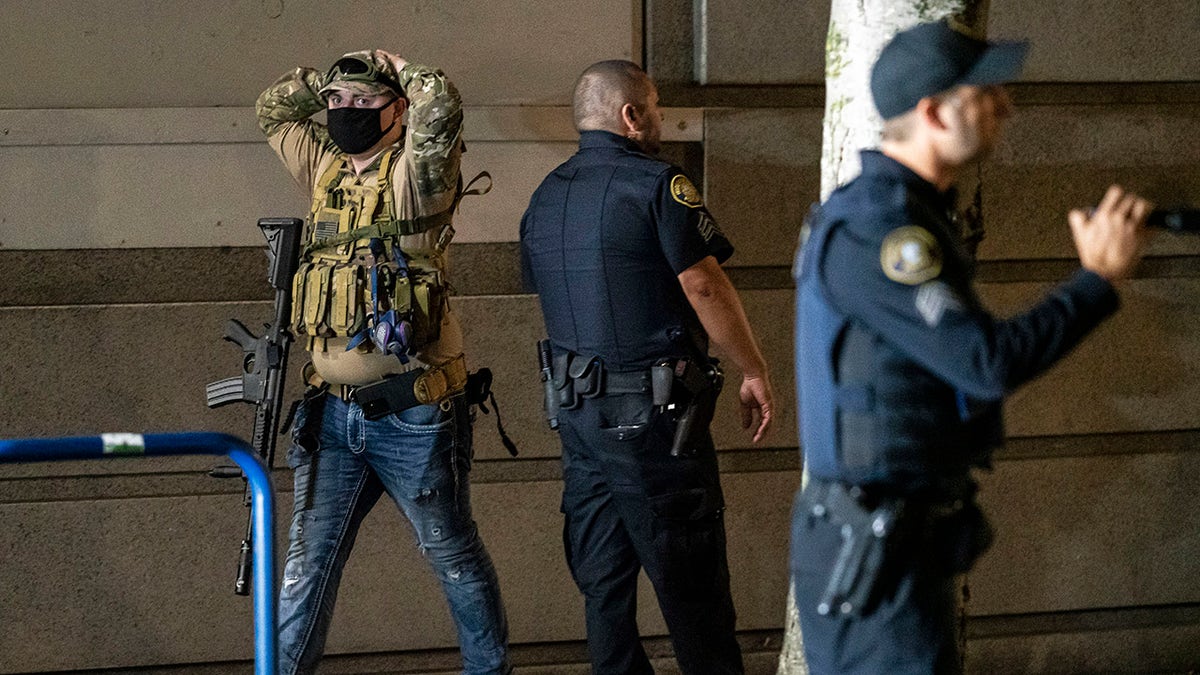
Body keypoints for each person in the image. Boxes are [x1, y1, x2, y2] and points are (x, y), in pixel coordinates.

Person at [790, 19, 1153, 674]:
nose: (1004, 107)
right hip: (874, 550)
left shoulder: (907, 214)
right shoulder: (880, 230)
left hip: (894, 539)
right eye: (985, 95)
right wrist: (1095, 282)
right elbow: (986, 362)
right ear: (932, 112)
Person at [256, 50, 511, 675]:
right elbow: (272, 108)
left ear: (398, 111)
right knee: (304, 567)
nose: (346, 114)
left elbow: (442, 109)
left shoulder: (418, 176)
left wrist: (394, 67)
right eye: (337, 104)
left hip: (413, 415)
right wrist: (331, 79)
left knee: (452, 554)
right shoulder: (326, 170)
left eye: (365, 103)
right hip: (331, 417)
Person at [519, 60, 775, 675]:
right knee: (693, 586)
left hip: (578, 418)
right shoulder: (659, 185)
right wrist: (754, 368)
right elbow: (703, 287)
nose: (660, 119)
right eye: (655, 107)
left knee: (603, 585)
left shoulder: (545, 195)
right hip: (653, 423)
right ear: (631, 116)